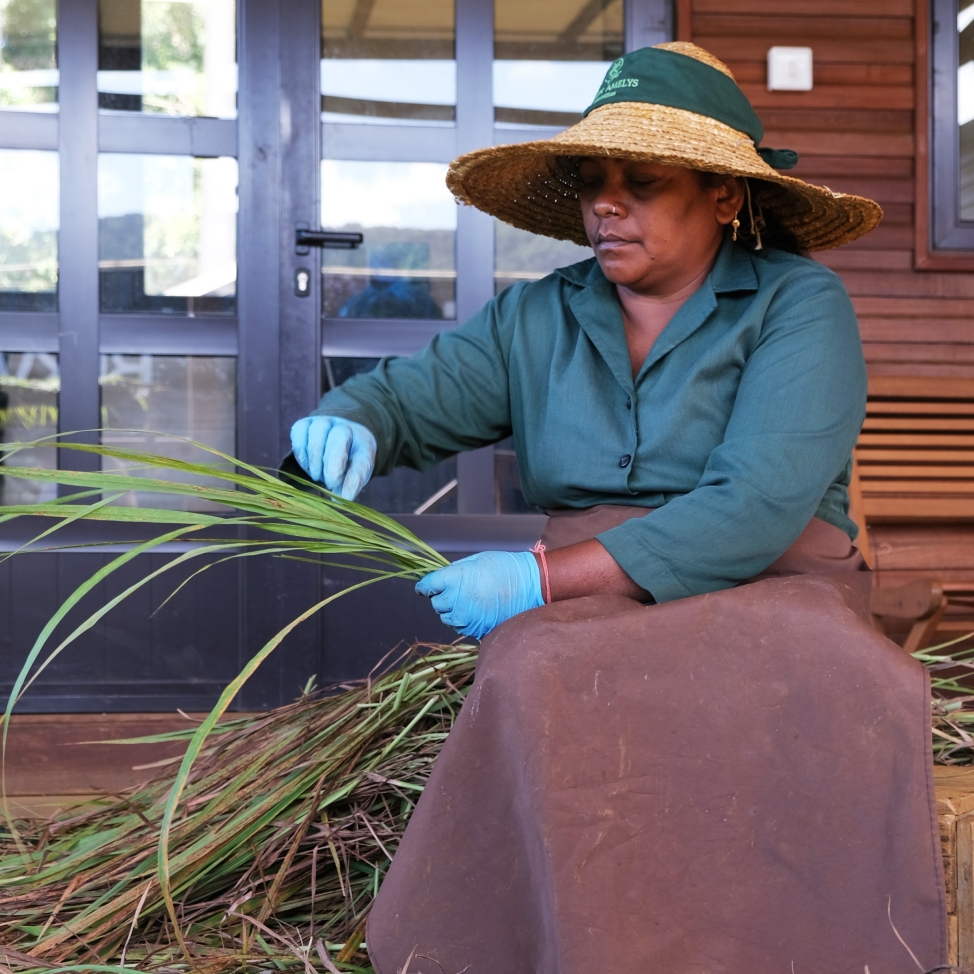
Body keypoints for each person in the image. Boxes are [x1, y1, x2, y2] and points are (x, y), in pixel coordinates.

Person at [288, 43, 947, 974]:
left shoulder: (798, 305)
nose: (606, 203)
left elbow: (757, 506)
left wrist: (541, 580)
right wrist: (352, 418)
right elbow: (418, 396)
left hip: (771, 582)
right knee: (535, 665)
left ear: (724, 195)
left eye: (642, 180)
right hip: (588, 598)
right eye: (593, 181)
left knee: (813, 675)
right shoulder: (540, 317)